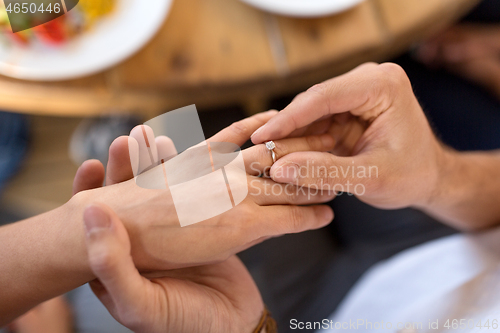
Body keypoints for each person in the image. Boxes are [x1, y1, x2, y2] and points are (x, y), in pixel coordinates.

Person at [76, 62, 500, 332]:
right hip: (448, 231)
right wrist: (440, 176)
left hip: (308, 317)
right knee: (316, 95)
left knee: (179, 134)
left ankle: (121, 126)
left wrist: (253, 327)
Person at [0, 111, 337, 329]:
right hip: (321, 305)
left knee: (191, 139)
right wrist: (253, 325)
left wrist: (94, 220)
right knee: (215, 127)